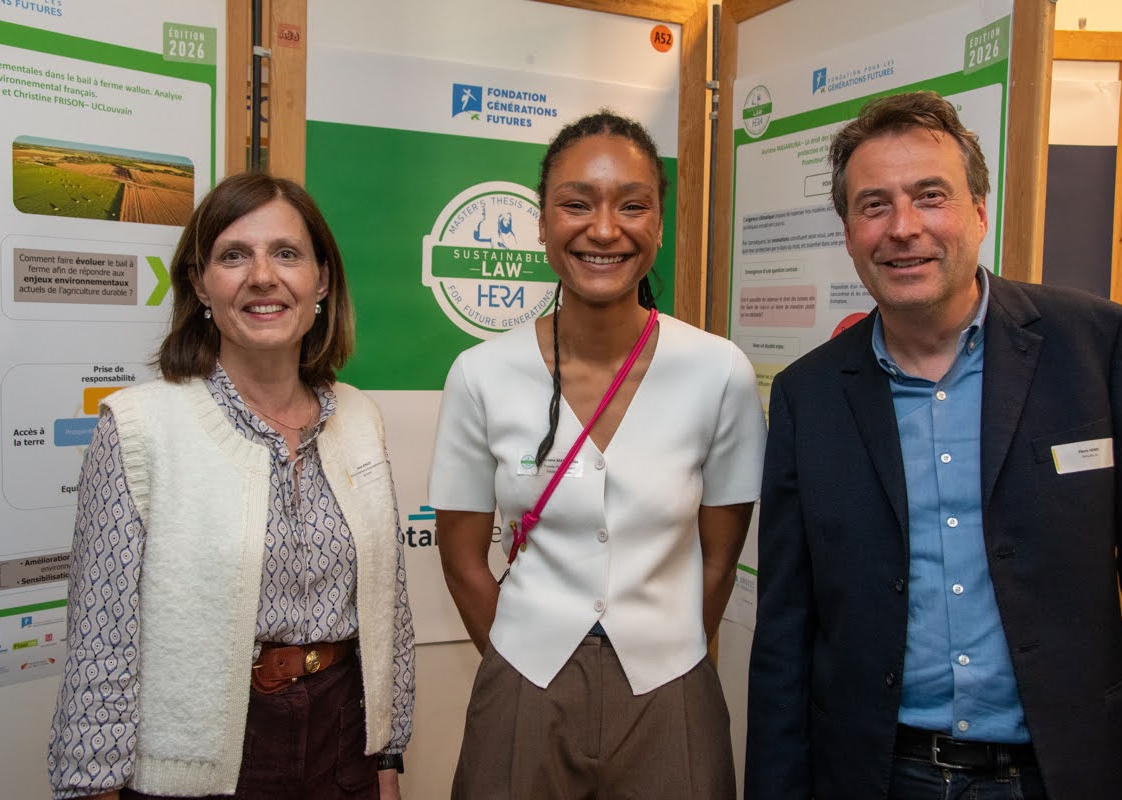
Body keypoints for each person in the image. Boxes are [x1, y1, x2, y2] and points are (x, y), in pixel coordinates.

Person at [745, 90, 1122, 800]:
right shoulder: (808, 395)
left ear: (979, 212)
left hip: (1065, 772)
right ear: (849, 233)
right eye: (874, 205)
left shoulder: (1099, 349)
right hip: (881, 775)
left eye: (930, 196)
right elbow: (786, 635)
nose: (903, 228)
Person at [429, 110, 767, 799]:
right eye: (577, 204)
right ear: (542, 223)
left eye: (632, 206)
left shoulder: (718, 371)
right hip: (525, 680)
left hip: (671, 685)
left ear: (660, 225)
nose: (605, 230)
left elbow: (719, 559)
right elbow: (462, 558)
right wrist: (521, 659)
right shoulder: (481, 374)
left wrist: (669, 650)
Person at [48, 173, 414, 800]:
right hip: (206, 756)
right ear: (200, 284)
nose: (263, 277)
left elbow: (389, 608)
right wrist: (94, 785)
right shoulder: (137, 427)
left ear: (322, 280)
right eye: (234, 255)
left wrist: (387, 753)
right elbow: (102, 640)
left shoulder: (359, 417)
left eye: (287, 253)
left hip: (344, 739)